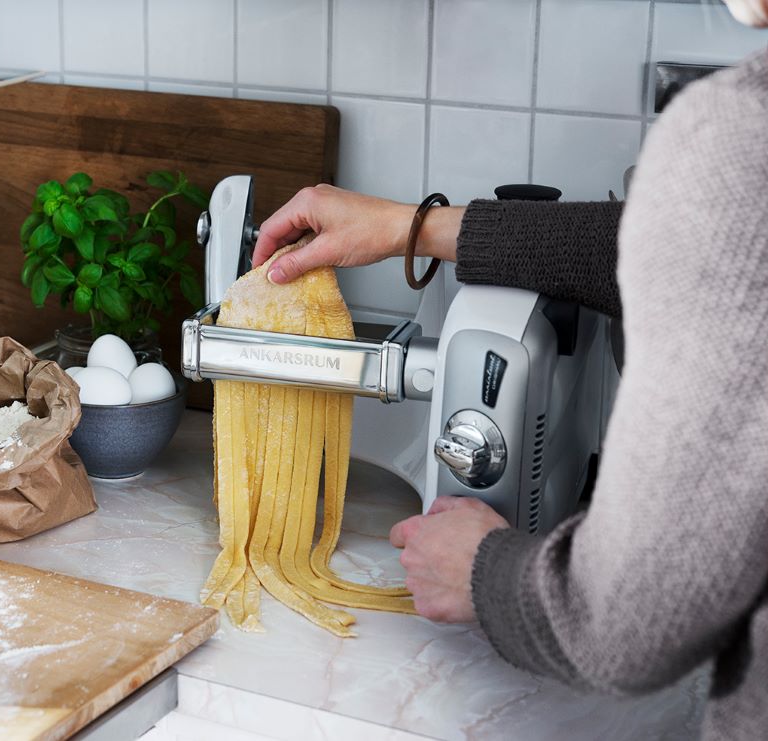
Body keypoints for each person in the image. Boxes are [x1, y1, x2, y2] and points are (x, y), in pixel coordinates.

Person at [250, 2, 768, 738]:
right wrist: (415, 227)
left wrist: (484, 571)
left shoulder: (741, 134)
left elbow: (623, 619)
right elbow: (690, 243)